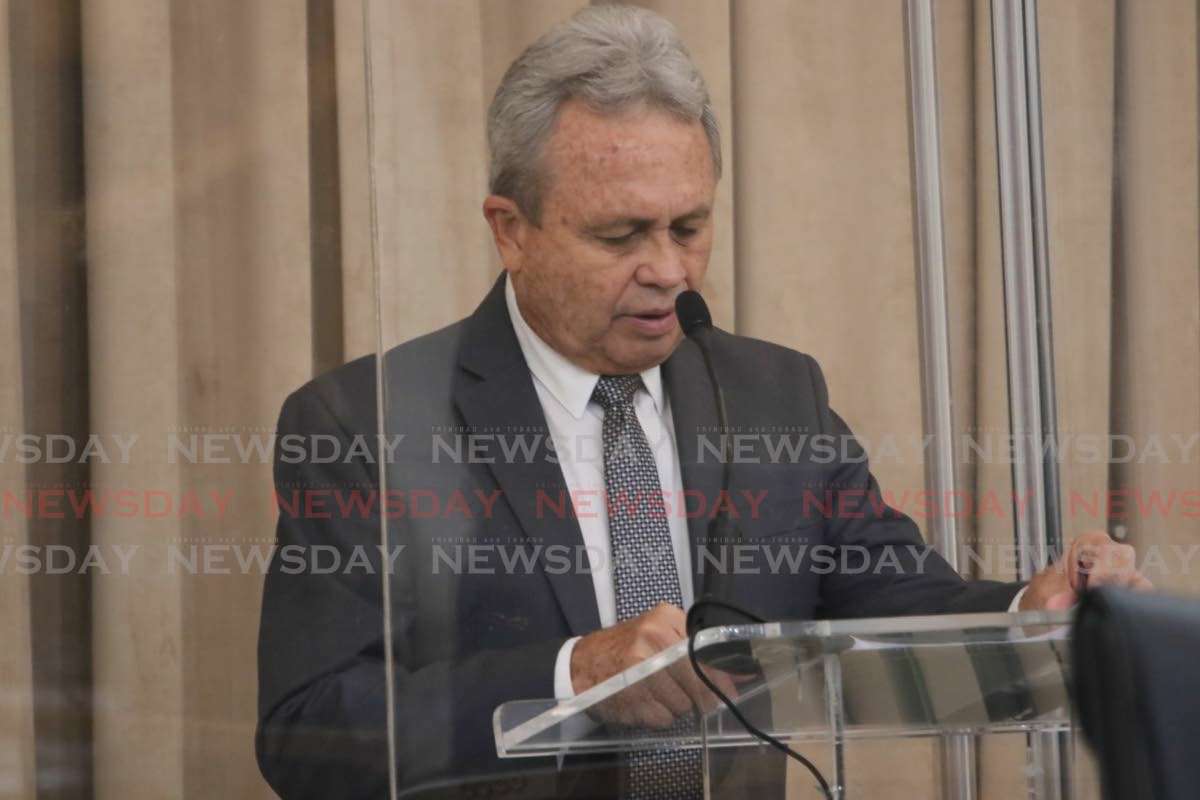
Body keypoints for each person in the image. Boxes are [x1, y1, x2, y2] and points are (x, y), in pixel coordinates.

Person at [255, 6, 1151, 799]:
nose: (669, 270)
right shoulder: (366, 424)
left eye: (689, 226)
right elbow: (307, 732)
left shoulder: (772, 396)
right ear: (511, 230)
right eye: (621, 235)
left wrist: (1024, 617)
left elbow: (889, 604)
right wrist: (573, 675)